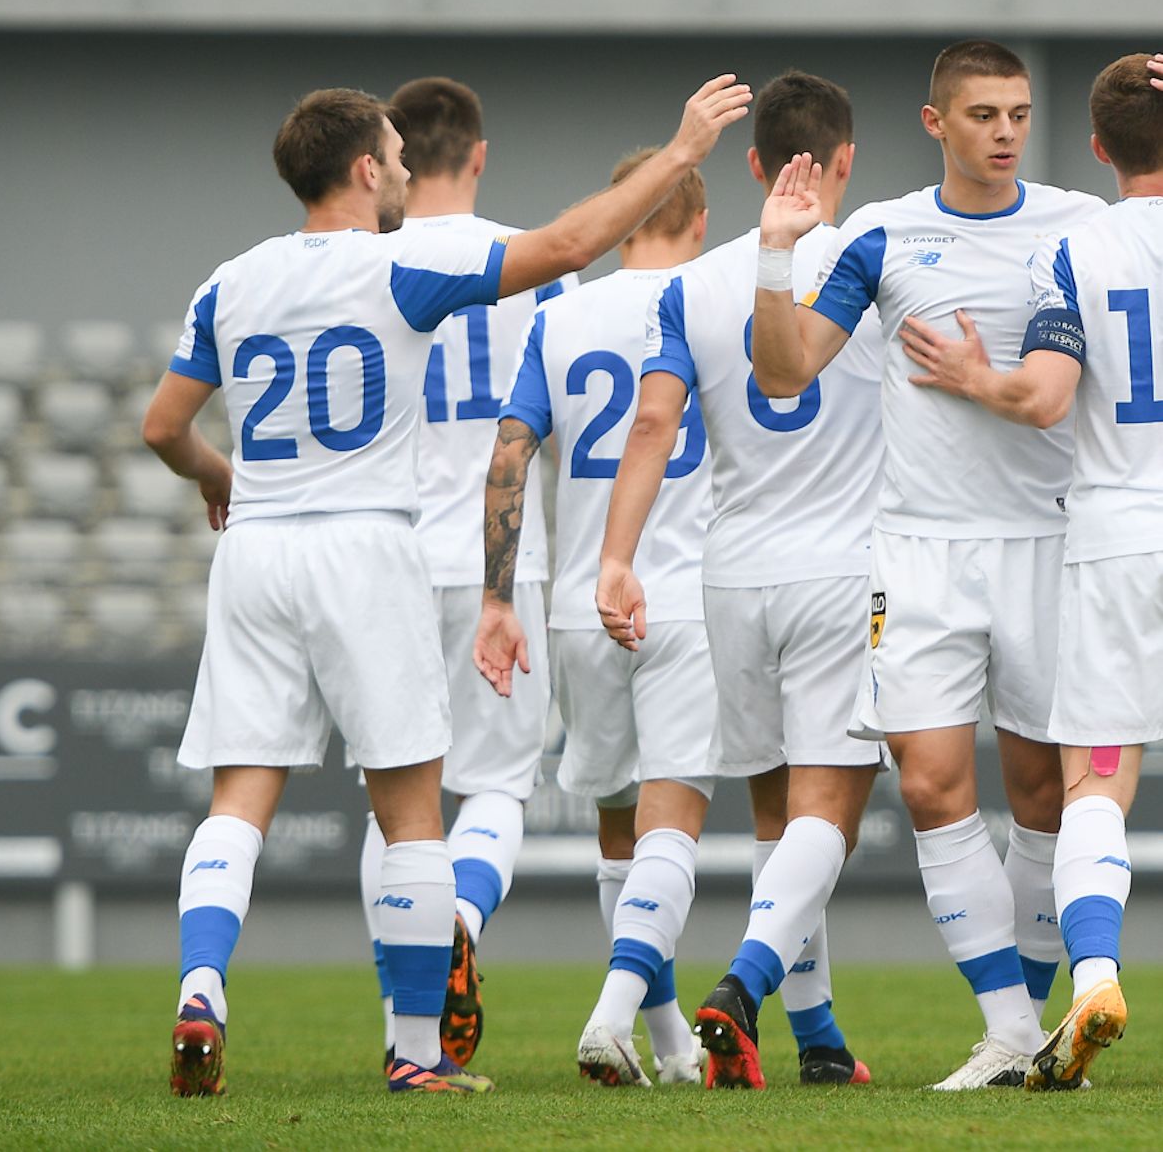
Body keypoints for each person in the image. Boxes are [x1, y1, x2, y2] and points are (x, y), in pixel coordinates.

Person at [142, 75, 751, 1097]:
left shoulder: (230, 280)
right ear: (367, 168)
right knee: (416, 808)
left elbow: (163, 425)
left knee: (240, 795)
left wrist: (221, 479)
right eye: (388, 154)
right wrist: (682, 151)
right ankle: (416, 1051)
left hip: (254, 554)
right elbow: (563, 248)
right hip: (373, 548)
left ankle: (202, 985)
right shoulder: (401, 264)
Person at [747, 40, 1106, 1090]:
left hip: (1048, 537)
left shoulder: (1076, 227)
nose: (1003, 132)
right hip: (916, 552)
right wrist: (776, 253)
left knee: (1041, 794)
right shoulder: (880, 232)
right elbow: (783, 373)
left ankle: (1030, 1031)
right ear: (934, 123)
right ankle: (1006, 1031)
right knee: (933, 780)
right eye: (983, 114)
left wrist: (977, 377)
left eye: (1017, 113)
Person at [598, 71, 883, 1089]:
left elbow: (652, 422)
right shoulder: (877, 254)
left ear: (756, 164)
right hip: (847, 567)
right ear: (843, 161)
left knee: (774, 819)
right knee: (827, 815)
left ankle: (816, 1039)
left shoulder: (689, 285)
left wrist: (618, 556)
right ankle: (744, 985)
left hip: (729, 572)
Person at [899, 51, 1163, 1091]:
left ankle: (1093, 973)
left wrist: (973, 374)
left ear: (1096, 149)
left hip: (1112, 537)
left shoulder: (1078, 250)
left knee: (1097, 779)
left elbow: (1046, 398)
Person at [474, 147, 716, 1088]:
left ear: (620, 220)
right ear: (697, 222)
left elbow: (508, 453)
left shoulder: (559, 315)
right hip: (683, 592)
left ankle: (667, 1045)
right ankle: (613, 1016)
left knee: (618, 826)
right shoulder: (711, 303)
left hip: (581, 601)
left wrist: (500, 594)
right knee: (673, 822)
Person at [356, 76, 571, 1072]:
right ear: (478, 155)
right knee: (494, 788)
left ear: (396, 156)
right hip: (500, 558)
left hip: (386, 556)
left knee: (398, 798)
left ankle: (404, 1017)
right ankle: (464, 923)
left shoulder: (356, 266)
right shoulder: (538, 268)